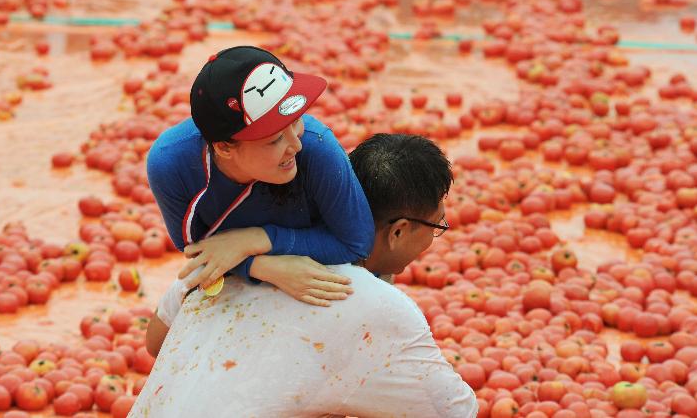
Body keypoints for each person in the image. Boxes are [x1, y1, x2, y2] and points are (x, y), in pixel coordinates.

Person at [133, 134, 478, 418]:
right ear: (398, 231)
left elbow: (155, 342)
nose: (437, 235)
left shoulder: (231, 247)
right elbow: (456, 411)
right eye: (437, 226)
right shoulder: (373, 306)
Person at [146, 45, 375, 305]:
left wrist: (256, 239)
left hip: (331, 282)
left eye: (296, 120)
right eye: (276, 139)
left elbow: (357, 244)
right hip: (237, 285)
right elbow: (199, 251)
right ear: (223, 147)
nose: (296, 145)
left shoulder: (316, 146)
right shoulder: (171, 165)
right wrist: (261, 267)